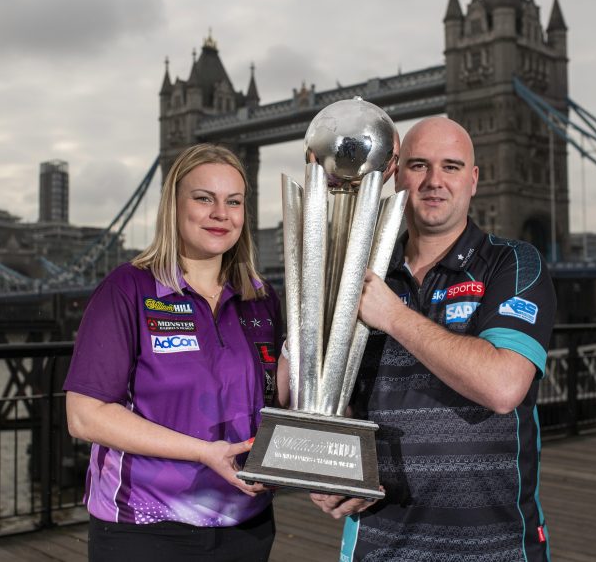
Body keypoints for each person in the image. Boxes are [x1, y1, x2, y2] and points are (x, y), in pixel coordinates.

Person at [311, 117, 556, 561]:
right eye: (419, 166)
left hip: (495, 547)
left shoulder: (514, 264)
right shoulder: (359, 272)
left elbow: (502, 387)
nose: (434, 182)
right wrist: (330, 469)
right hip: (378, 543)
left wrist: (394, 316)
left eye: (452, 167)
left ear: (474, 179)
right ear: (396, 175)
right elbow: (327, 396)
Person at [64, 143, 285, 561]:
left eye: (233, 201)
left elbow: (280, 398)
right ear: (173, 206)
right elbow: (84, 415)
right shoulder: (127, 290)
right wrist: (204, 452)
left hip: (247, 523)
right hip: (145, 527)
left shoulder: (261, 297)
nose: (221, 213)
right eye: (204, 198)